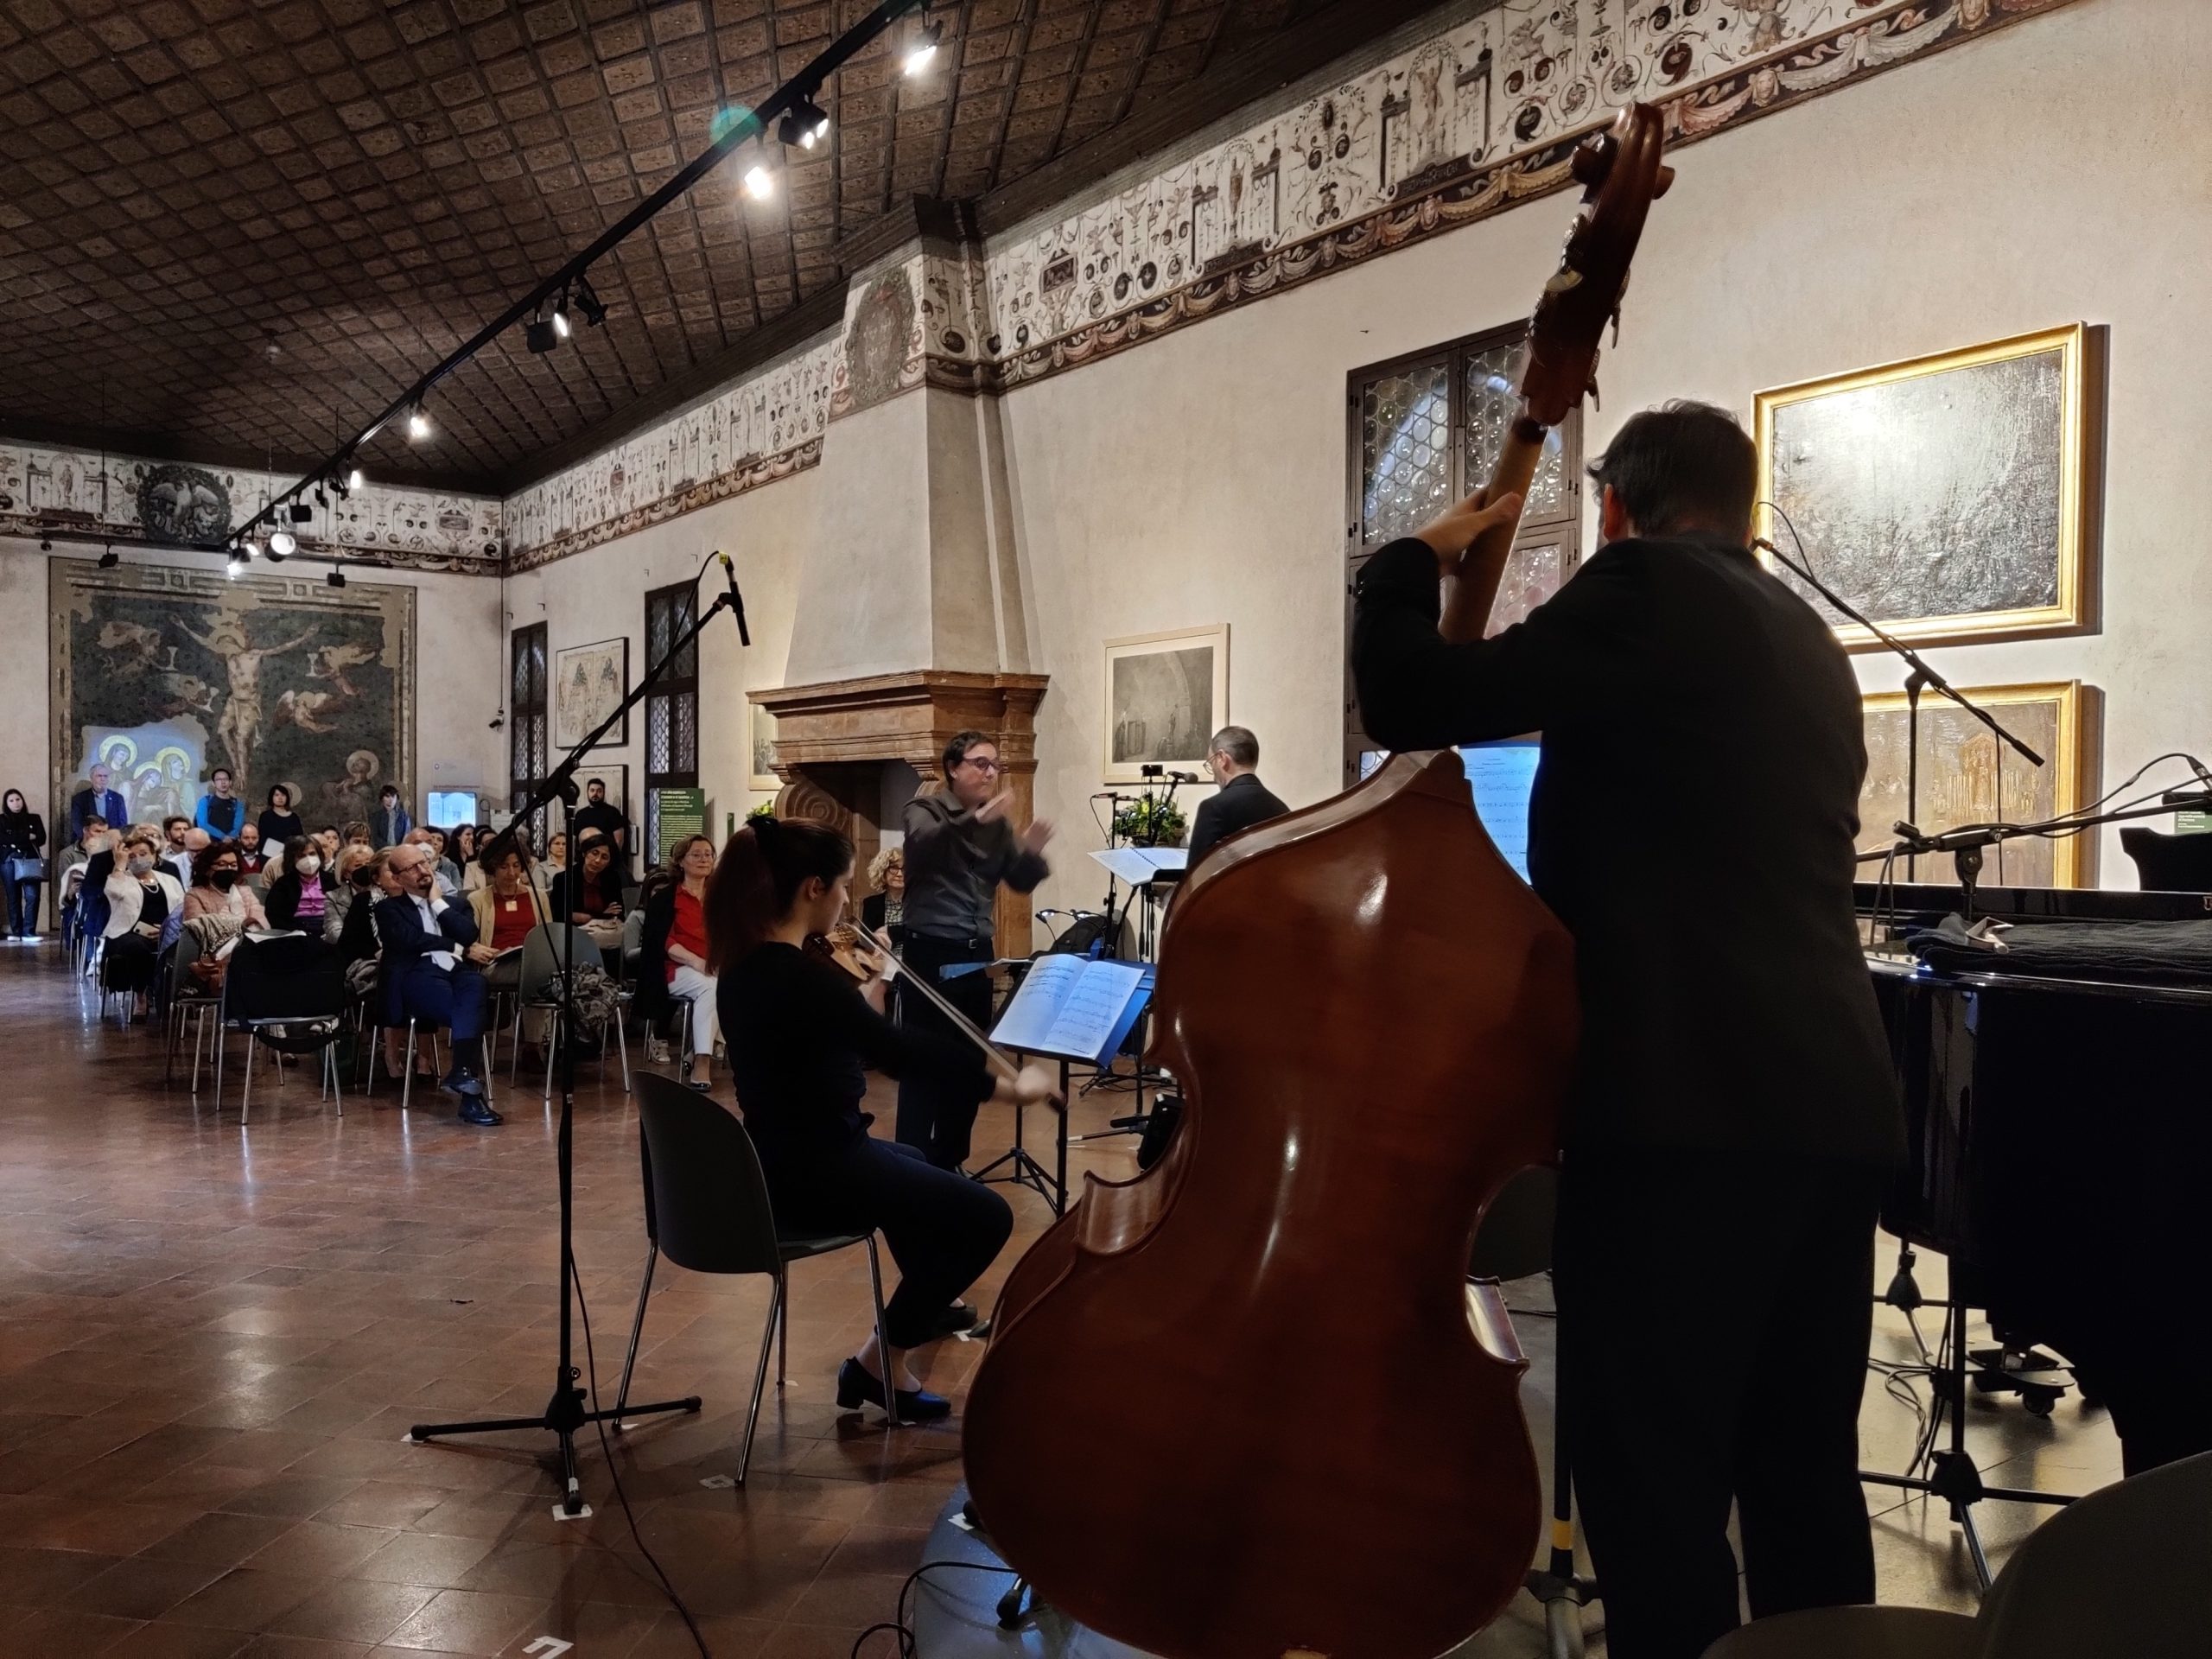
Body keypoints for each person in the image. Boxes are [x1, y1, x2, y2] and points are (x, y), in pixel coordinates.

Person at [1351, 401, 1903, 1659]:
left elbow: (1410, 693)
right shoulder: (1810, 639)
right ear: (1748, 507)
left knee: (1654, 1479)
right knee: (1804, 1472)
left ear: (1614, 508)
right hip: (1832, 1102)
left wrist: (1408, 562)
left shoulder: (1644, 586)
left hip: (1683, 1112)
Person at [708, 816, 1053, 1417]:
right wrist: (1005, 1085)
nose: (848, 900)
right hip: (818, 1170)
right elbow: (898, 1053)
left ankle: (902, 1334)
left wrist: (861, 997)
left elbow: (841, 1039)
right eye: (842, 885)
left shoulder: (746, 969)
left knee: (917, 1161)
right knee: (987, 1217)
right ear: (813, 888)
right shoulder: (801, 980)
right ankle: (881, 1354)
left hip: (774, 1158)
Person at [897, 731, 1053, 1169]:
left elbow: (1018, 881)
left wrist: (1033, 853)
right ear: (953, 768)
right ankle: (910, 1162)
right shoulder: (922, 810)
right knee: (923, 1061)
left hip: (976, 953)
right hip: (929, 952)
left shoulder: (998, 826)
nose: (990, 772)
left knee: (969, 1061)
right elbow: (928, 847)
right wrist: (976, 820)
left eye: (994, 765)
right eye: (981, 763)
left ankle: (949, 1161)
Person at [372, 842, 499, 1125]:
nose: (422, 870)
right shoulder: (389, 908)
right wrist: (459, 948)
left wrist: (438, 903)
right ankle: (471, 1100)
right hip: (417, 973)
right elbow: (409, 940)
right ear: (397, 878)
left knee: (477, 985)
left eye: (424, 863)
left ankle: (462, 1075)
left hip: (455, 972)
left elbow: (469, 933)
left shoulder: (455, 905)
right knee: (469, 1012)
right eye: (412, 868)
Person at [639, 834, 719, 1090]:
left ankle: (701, 1047)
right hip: (675, 969)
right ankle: (702, 1060)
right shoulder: (666, 898)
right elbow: (663, 941)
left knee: (737, 982)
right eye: (696, 854)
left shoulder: (720, 897)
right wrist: (698, 962)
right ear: (681, 861)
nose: (704, 859)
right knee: (711, 985)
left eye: (708, 854)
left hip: (714, 966)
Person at [1184, 726, 1290, 868]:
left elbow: (1196, 874)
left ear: (1222, 758)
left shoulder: (1214, 808)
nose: (1214, 775)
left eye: (1211, 763)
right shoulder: (1281, 808)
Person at [101, 832, 182, 1014]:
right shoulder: (121, 879)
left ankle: (174, 998)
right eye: (132, 856)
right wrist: (120, 864)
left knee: (184, 947)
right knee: (137, 948)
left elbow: (181, 909)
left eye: (143, 854)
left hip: (165, 932)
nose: (138, 859)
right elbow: (113, 891)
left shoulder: (169, 880)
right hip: (126, 932)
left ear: (155, 856)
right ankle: (141, 996)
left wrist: (168, 929)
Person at [549, 831, 625, 950]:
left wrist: (588, 917)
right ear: (585, 853)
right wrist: (603, 914)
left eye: (604, 857)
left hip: (604, 938)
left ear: (609, 863)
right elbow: (559, 915)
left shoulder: (612, 879)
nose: (598, 860)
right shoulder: (564, 879)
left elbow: (618, 912)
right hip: (571, 937)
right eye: (594, 853)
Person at [182, 840, 270, 931]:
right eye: (222, 864)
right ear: (207, 869)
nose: (229, 869)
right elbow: (200, 929)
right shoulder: (195, 895)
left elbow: (261, 921)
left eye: (233, 865)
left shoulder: (246, 892)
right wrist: (242, 926)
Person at [1, 787, 48, 941]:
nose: (16, 803)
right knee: (13, 897)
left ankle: (29, 931)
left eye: (18, 799)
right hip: (9, 861)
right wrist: (27, 836)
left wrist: (16, 837)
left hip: (30, 860)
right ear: (6, 803)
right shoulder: (2, 819)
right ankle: (16, 931)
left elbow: (41, 839)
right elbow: (4, 840)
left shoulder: (34, 818)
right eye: (11, 800)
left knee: (32, 896)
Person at [264, 835, 334, 933]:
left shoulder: (333, 881)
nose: (308, 859)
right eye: (301, 856)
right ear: (292, 859)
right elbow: (274, 915)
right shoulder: (283, 884)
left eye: (312, 854)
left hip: (329, 928)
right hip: (296, 932)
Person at [569, 779, 626, 863]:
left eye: (599, 791)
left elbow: (619, 841)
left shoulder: (612, 812)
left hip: (605, 861)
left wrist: (612, 861)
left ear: (603, 793)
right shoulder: (580, 814)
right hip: (583, 861)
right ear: (587, 792)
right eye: (592, 790)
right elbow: (574, 840)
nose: (595, 794)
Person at [860, 845, 906, 947]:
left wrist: (890, 932)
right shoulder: (871, 903)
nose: (899, 874)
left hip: (910, 960)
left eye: (904, 869)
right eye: (894, 868)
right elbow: (866, 939)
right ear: (883, 872)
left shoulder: (917, 903)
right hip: (880, 960)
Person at [71, 764, 127, 841]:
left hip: (111, 844)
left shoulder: (117, 799)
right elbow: (77, 824)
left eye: (105, 776)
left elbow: (123, 825)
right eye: (99, 776)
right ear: (91, 778)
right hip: (89, 843)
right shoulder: (80, 799)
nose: (103, 779)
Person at [194, 767, 245, 838]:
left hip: (230, 844)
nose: (223, 782)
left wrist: (229, 838)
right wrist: (222, 837)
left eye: (226, 779)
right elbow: (203, 824)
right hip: (209, 843)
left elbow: (238, 826)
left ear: (230, 782)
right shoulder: (205, 801)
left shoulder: (237, 804)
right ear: (213, 783)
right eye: (219, 780)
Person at [257, 785, 304, 849]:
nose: (280, 798)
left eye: (283, 795)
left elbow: (299, 839)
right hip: (269, 853)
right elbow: (262, 839)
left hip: (290, 854)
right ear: (272, 797)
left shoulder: (294, 818)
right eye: (277, 795)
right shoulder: (265, 816)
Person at [371, 785, 410, 849]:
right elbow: (375, 836)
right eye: (387, 796)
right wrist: (388, 848)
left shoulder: (404, 815)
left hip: (399, 850)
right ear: (382, 798)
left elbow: (406, 834)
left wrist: (399, 849)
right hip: (382, 851)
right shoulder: (376, 816)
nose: (391, 800)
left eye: (393, 796)